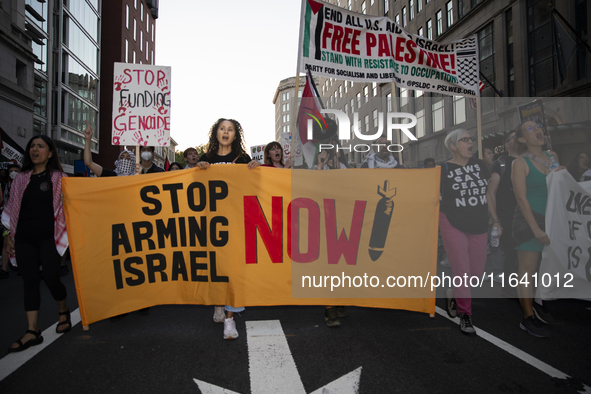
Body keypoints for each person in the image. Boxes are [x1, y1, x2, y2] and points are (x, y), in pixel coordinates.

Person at [2, 135, 71, 352]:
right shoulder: (20, 179)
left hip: (49, 238)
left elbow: (72, 206)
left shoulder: (60, 178)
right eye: (32, 146)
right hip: (23, 238)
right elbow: (10, 210)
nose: (35, 149)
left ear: (50, 153)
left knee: (51, 279)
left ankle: (63, 310)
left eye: (40, 146)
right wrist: (7, 235)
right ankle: (32, 331)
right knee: (30, 282)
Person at [197, 118, 260, 340]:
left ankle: (230, 320)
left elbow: (255, 186)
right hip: (212, 223)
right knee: (216, 268)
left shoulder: (243, 159)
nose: (226, 132)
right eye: (222, 129)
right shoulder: (206, 158)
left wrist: (256, 169)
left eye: (230, 129)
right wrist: (199, 169)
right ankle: (218, 305)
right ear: (216, 133)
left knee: (234, 270)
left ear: (236, 134)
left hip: (236, 222)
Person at [511, 121, 563, 338]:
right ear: (522, 139)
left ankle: (539, 302)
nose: (538, 130)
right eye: (530, 129)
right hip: (529, 222)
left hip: (553, 220)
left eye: (539, 126)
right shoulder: (520, 163)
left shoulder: (553, 156)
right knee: (528, 270)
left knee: (549, 266)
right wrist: (535, 229)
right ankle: (527, 316)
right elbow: (521, 199)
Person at [440, 129, 494, 336]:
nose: (470, 142)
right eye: (464, 140)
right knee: (461, 272)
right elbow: (432, 194)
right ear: (453, 146)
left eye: (470, 139)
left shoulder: (480, 165)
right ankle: (465, 315)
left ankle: (453, 294)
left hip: (479, 224)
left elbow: (489, 193)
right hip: (452, 223)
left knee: (476, 274)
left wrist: (495, 219)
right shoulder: (443, 168)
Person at [488, 131, 520, 292]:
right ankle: (511, 290)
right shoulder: (501, 164)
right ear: (507, 144)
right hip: (507, 216)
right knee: (513, 254)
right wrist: (495, 220)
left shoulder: (530, 162)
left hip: (530, 216)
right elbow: (491, 192)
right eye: (515, 136)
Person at [0, 164, 21, 279]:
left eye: (16, 171)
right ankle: (4, 268)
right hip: (7, 217)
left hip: (19, 217)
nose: (13, 173)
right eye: (11, 171)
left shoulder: (22, 183)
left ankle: (22, 266)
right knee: (5, 242)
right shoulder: (5, 184)